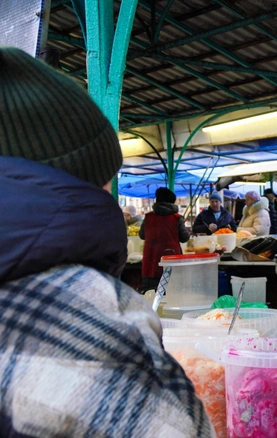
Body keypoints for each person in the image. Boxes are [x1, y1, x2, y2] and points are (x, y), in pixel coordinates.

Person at [0, 48, 211, 436]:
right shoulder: (88, 309)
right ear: (85, 175)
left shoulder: (148, 218)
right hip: (173, 266)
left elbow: (147, 237)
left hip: (151, 265)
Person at [139, 187, 190, 290]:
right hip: (171, 263)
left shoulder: (148, 217)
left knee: (151, 296)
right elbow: (185, 238)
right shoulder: (176, 218)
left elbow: (142, 235)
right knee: (172, 296)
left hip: (150, 264)